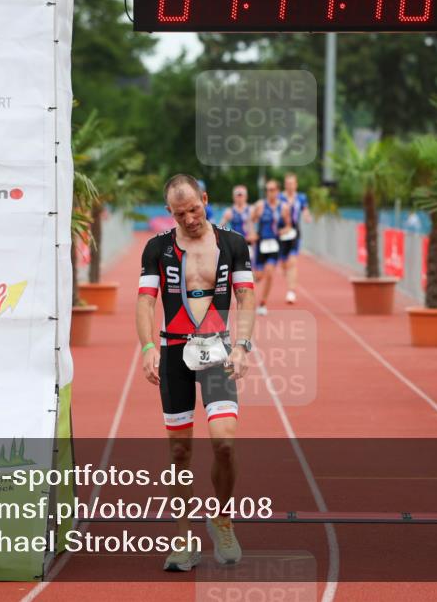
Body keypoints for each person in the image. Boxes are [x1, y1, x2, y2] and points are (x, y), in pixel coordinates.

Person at [137, 174, 255, 572]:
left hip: (218, 350)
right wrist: (148, 347)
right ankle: (183, 537)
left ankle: (222, 519)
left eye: (194, 209)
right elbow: (145, 302)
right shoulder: (157, 248)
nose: (189, 218)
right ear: (169, 212)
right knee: (180, 451)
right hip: (173, 353)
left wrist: (242, 345)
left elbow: (247, 297)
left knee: (225, 443)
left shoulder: (233, 244)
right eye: (180, 212)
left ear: (205, 200)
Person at [249, 179, 291, 316]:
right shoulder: (260, 206)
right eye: (267, 190)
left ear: (278, 191)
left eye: (272, 190)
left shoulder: (283, 208)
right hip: (261, 244)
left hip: (274, 244)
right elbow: (251, 220)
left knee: (270, 273)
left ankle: (263, 303)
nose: (269, 192)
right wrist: (253, 233)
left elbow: (289, 225)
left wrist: (283, 231)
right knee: (259, 276)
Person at [277, 173, 311, 304]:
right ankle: (287, 273)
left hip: (294, 231)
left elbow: (305, 210)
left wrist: (307, 216)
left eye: (292, 183)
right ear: (285, 185)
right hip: (281, 231)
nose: (290, 186)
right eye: (287, 183)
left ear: (296, 184)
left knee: (292, 262)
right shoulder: (280, 197)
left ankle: (291, 292)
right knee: (284, 263)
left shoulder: (301, 198)